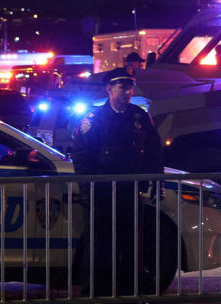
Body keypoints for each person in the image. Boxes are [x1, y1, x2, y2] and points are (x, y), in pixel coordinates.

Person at [72, 68, 163, 296]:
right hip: (101, 193)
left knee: (131, 244)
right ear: (109, 89)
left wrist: (156, 181)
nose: (127, 92)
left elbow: (154, 151)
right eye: (122, 87)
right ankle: (94, 291)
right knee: (99, 245)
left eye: (130, 87)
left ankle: (129, 290)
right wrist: (87, 188)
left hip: (130, 191)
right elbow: (82, 157)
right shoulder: (94, 120)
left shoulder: (139, 117)